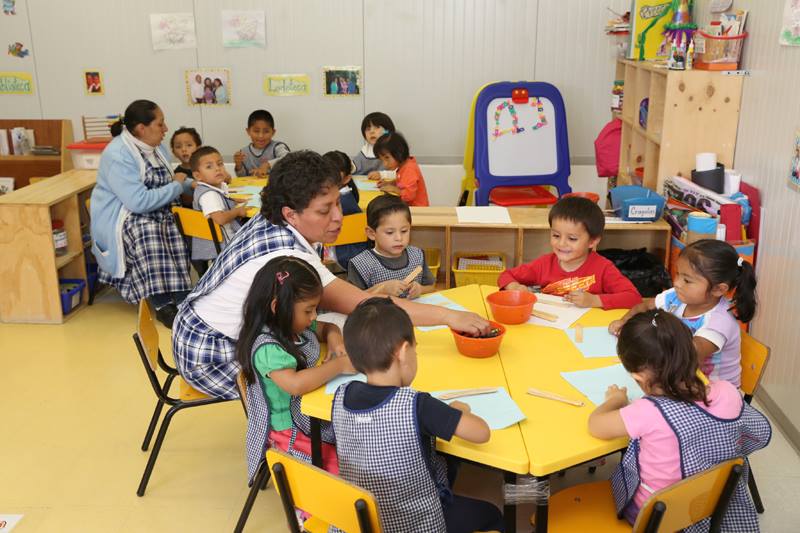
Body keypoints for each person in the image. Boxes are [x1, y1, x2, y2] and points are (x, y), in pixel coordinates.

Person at [172, 151, 489, 400]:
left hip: (196, 328)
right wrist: (448, 316)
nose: (338, 217)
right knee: (352, 373)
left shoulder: (272, 219)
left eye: (338, 202)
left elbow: (348, 302)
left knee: (344, 336)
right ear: (291, 214)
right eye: (325, 210)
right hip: (211, 353)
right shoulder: (287, 256)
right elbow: (366, 305)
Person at [332, 298, 504, 532]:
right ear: (403, 352)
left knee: (443, 462)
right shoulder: (418, 405)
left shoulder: (341, 396)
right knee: (493, 514)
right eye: (416, 348)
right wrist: (458, 411)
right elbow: (481, 433)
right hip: (415, 524)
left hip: (361, 523)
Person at [589, 310, 771, 529]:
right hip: (711, 502)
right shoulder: (728, 391)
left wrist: (616, 399)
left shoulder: (647, 411)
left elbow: (595, 425)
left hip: (657, 516)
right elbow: (754, 436)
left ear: (639, 376)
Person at [237, 256, 354, 479]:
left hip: (309, 414)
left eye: (315, 309)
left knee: (357, 444)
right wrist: (339, 365)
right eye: (308, 310)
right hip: (289, 430)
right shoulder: (268, 348)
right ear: (277, 307)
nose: (313, 317)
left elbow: (328, 327)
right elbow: (296, 385)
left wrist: (335, 341)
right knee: (348, 472)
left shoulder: (292, 323)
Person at [90, 99, 194, 327]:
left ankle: (182, 297)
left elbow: (169, 180)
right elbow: (138, 202)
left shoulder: (156, 148)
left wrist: (194, 184)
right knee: (149, 232)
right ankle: (162, 304)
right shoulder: (118, 154)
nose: (166, 129)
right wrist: (178, 185)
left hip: (152, 208)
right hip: (124, 216)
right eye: (160, 124)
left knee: (174, 223)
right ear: (141, 128)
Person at [609, 239, 757, 386]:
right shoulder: (677, 296)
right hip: (681, 376)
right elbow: (645, 306)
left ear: (718, 289)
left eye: (687, 280)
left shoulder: (719, 322)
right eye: (678, 274)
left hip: (713, 390)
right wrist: (624, 321)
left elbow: (687, 356)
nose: (677, 283)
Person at [497, 196, 642, 309]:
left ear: (592, 241)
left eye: (572, 238)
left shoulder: (603, 268)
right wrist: (515, 287)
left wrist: (595, 300)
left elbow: (634, 298)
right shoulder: (544, 264)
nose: (561, 244)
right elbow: (506, 275)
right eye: (556, 235)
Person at [348, 194, 436, 298]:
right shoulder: (361, 264)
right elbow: (352, 299)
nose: (399, 238)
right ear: (371, 233)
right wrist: (382, 289)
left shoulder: (417, 256)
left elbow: (431, 287)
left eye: (404, 231)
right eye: (390, 232)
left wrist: (420, 289)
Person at [189, 146, 247, 275]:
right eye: (209, 167)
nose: (217, 168)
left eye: (220, 164)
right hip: (225, 247)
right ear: (198, 175)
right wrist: (237, 212)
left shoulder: (213, 187)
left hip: (224, 242)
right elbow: (220, 218)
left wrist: (232, 200)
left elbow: (220, 200)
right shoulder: (209, 195)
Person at [323, 150, 370, 270]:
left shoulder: (341, 201)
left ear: (346, 179)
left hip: (346, 254)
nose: (328, 180)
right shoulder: (346, 195)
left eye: (334, 177)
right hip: (348, 251)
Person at [371, 132, 429, 207]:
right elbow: (402, 183)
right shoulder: (404, 166)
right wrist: (390, 183)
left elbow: (409, 195)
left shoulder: (409, 169)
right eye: (382, 160)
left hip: (417, 210)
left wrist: (394, 189)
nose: (385, 164)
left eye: (387, 158)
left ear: (399, 153)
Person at [233, 109, 290, 177]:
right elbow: (242, 177)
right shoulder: (243, 153)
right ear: (248, 131)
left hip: (275, 183)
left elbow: (289, 159)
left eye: (266, 131)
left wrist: (268, 164)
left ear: (273, 132)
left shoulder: (277, 147)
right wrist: (238, 165)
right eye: (256, 131)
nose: (261, 136)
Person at [352, 112, 396, 176]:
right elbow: (355, 166)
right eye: (368, 129)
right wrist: (348, 166)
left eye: (377, 127)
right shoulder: (366, 150)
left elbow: (399, 173)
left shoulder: (394, 148)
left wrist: (382, 175)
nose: (371, 132)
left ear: (387, 131)